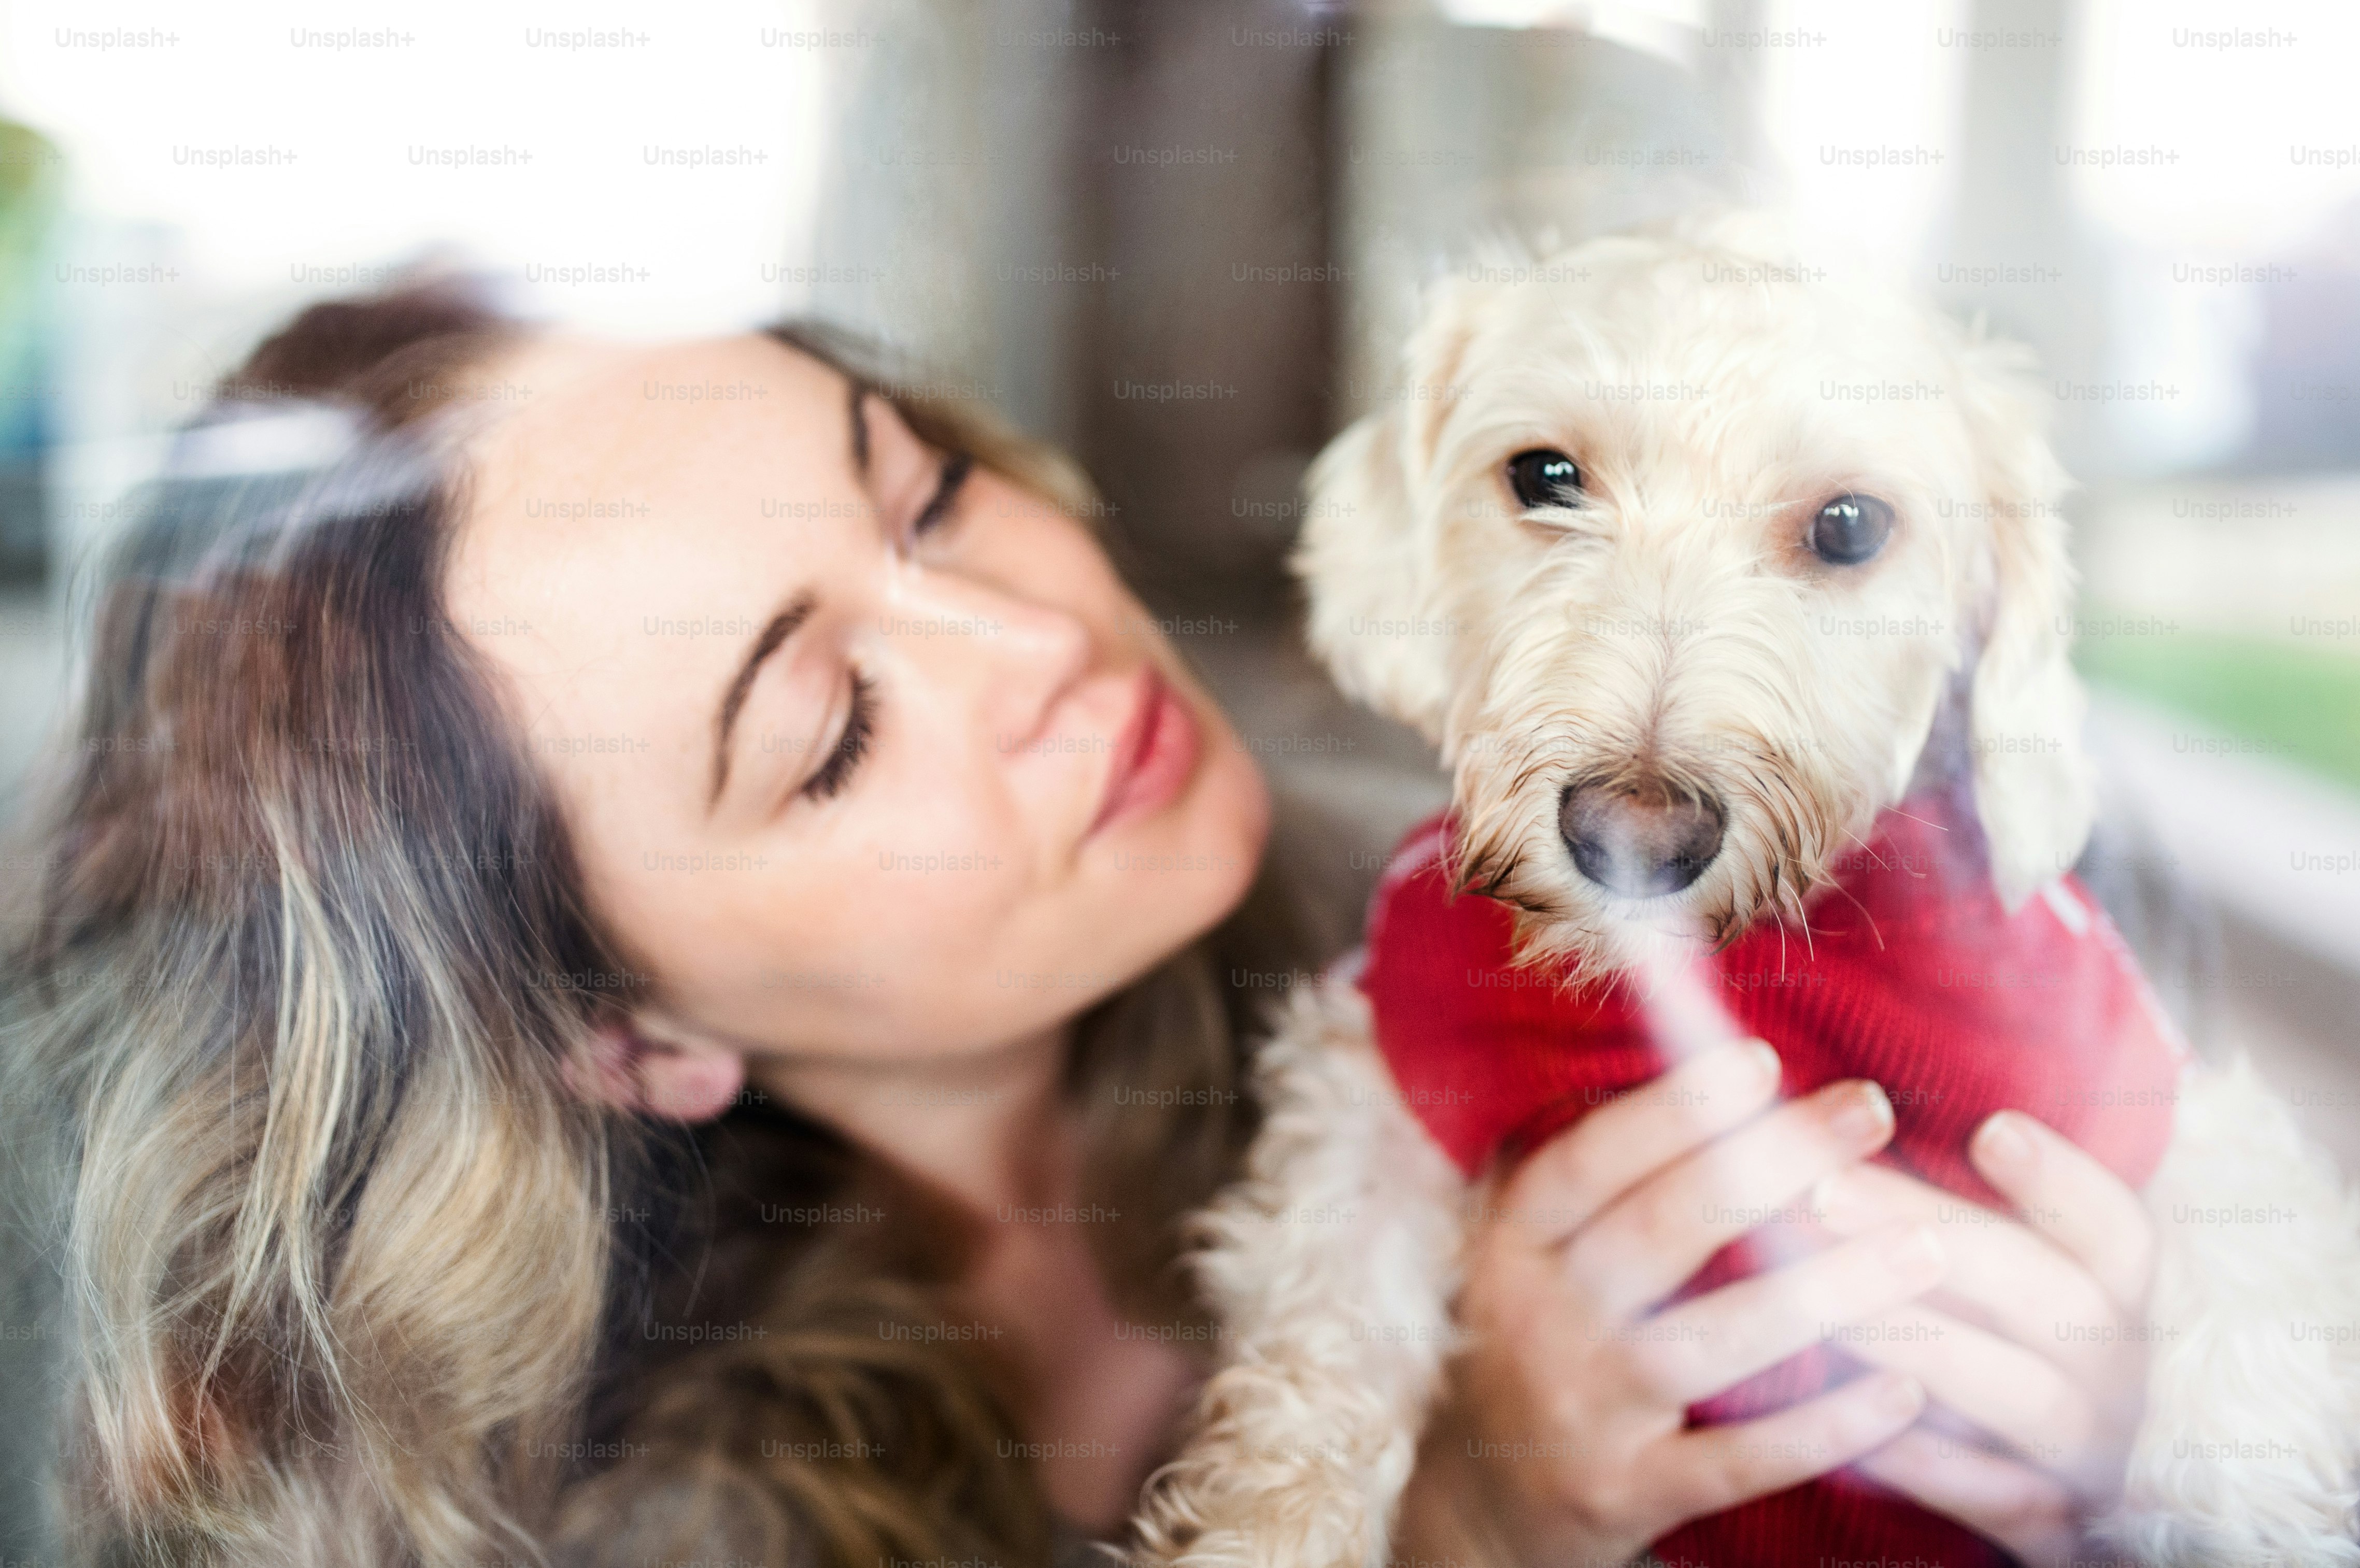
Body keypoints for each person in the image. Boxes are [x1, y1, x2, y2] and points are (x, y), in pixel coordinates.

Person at [1, 282, 2155, 1568]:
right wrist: (1477, 1518)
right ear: (617, 1032)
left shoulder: (1477, 925)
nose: (1027, 632)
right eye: (831, 723)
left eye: (922, 489)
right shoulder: (619, 1522)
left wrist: (2098, 1464)